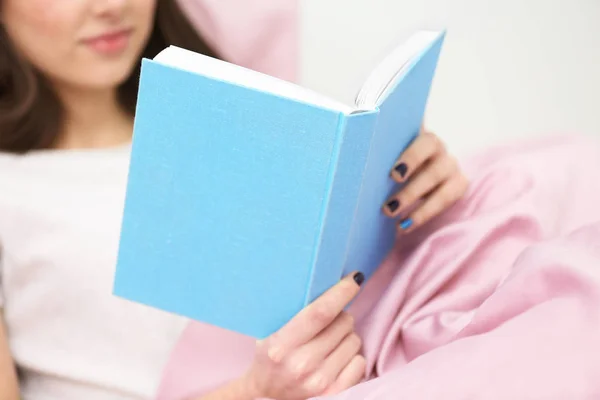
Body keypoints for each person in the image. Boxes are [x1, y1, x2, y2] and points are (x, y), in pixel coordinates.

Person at [0, 0, 468, 399]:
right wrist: (252, 393)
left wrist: (411, 203)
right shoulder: (13, 188)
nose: (111, 7)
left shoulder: (243, 131)